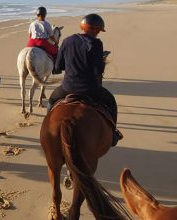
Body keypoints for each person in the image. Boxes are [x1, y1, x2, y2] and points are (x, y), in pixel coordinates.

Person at [48, 13, 122, 146]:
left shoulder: (67, 40)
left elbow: (58, 66)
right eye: (98, 30)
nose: (98, 33)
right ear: (93, 29)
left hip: (67, 88)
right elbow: (97, 71)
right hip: (90, 89)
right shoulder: (97, 43)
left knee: (52, 99)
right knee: (111, 101)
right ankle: (113, 134)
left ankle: (48, 129)